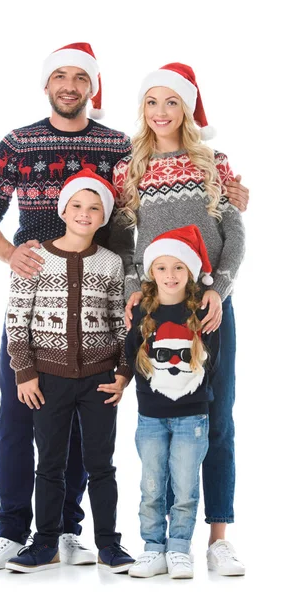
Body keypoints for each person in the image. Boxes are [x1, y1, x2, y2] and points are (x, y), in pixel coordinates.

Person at [0, 42, 132, 569]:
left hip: (95, 302)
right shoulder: (17, 143)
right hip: (36, 301)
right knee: (20, 412)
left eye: (79, 78)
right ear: (47, 85)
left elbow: (141, 213)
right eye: (59, 76)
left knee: (85, 424)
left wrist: (225, 190)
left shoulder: (117, 146)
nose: (69, 86)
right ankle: (12, 527)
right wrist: (12, 255)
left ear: (92, 87)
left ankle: (65, 527)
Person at [110, 63, 246, 575]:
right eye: (152, 102)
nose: (161, 112)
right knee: (160, 417)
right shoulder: (131, 169)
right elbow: (124, 243)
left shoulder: (212, 162)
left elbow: (234, 233)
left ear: (187, 108)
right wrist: (130, 293)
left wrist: (221, 288)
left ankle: (218, 536)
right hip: (153, 309)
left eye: (171, 102)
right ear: (142, 110)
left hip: (207, 307)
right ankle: (162, 541)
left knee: (216, 413)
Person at [3, 169, 135, 574]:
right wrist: (24, 372)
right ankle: (44, 542)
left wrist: (124, 372)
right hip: (48, 379)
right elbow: (17, 319)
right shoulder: (34, 257)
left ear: (103, 217)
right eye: (77, 205)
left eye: (94, 208)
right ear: (63, 209)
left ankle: (109, 544)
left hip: (99, 379)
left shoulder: (112, 264)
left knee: (101, 463)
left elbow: (119, 322)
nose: (84, 213)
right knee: (50, 463)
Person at [126, 225, 220, 579]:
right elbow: (132, 357)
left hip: (192, 418)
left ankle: (179, 547)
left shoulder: (203, 314)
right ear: (151, 272)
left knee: (185, 486)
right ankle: (152, 547)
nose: (170, 275)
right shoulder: (140, 314)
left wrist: (197, 397)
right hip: (151, 416)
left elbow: (216, 363)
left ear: (191, 272)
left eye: (179, 267)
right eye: (162, 267)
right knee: (151, 485)